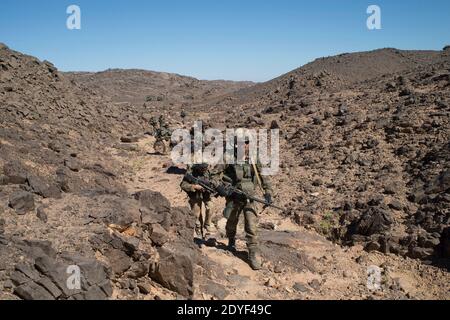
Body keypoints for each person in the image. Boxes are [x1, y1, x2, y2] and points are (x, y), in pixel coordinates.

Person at [220, 137, 273, 270]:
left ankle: (253, 251)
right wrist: (224, 188)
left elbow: (264, 176)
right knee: (232, 220)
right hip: (234, 196)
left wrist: (268, 191)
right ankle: (231, 240)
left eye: (248, 142)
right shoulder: (228, 157)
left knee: (251, 223)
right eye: (242, 143)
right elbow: (216, 175)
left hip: (250, 196)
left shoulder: (255, 159)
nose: (245, 146)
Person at [180, 163, 217, 238]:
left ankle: (207, 224)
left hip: (206, 194)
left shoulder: (208, 172)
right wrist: (194, 186)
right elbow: (183, 185)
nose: (204, 170)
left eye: (205, 168)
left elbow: (215, 180)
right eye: (202, 169)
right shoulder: (191, 173)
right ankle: (198, 231)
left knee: (211, 206)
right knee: (196, 214)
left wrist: (212, 185)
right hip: (195, 195)